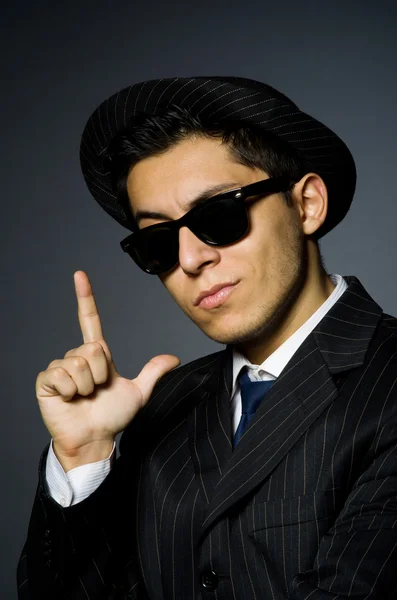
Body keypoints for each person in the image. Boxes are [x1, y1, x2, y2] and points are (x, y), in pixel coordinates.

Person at [17, 76, 397, 599]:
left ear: (306, 204)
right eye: (159, 241)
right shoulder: (165, 403)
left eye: (219, 215)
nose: (191, 259)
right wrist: (83, 459)